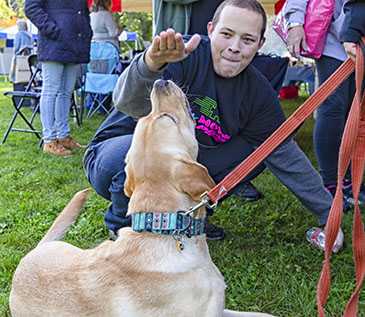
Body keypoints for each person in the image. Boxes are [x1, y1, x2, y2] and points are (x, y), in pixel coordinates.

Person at [84, 0, 343, 251]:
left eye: (247, 40)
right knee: (138, 154)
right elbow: (126, 103)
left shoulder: (258, 93)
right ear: (210, 30)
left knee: (262, 149)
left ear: (260, 45)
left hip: (185, 159)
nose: (234, 47)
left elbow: (287, 157)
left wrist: (328, 215)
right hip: (118, 153)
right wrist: (150, 65)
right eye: (226, 34)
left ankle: (194, 213)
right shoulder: (182, 53)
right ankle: (122, 224)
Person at [284, 0, 365, 210]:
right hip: (332, 36)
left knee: (354, 109)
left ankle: (348, 181)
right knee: (333, 106)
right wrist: (295, 22)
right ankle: (329, 183)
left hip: (361, 37)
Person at [25, 0, 92, 157]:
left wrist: (86, 31)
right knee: (51, 90)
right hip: (54, 42)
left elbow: (82, 12)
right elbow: (31, 8)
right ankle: (49, 140)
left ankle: (63, 136)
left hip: (74, 44)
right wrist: (53, 30)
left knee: (66, 92)